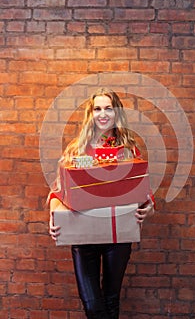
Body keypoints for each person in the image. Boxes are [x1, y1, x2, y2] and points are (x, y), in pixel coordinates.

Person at [48, 88, 155, 319]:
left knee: (110, 300)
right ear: (91, 113)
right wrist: (54, 216)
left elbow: (144, 192)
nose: (103, 114)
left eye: (108, 108)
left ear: (117, 113)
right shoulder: (76, 149)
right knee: (92, 304)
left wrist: (148, 208)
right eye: (97, 109)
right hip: (83, 236)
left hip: (118, 238)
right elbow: (59, 190)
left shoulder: (128, 150)